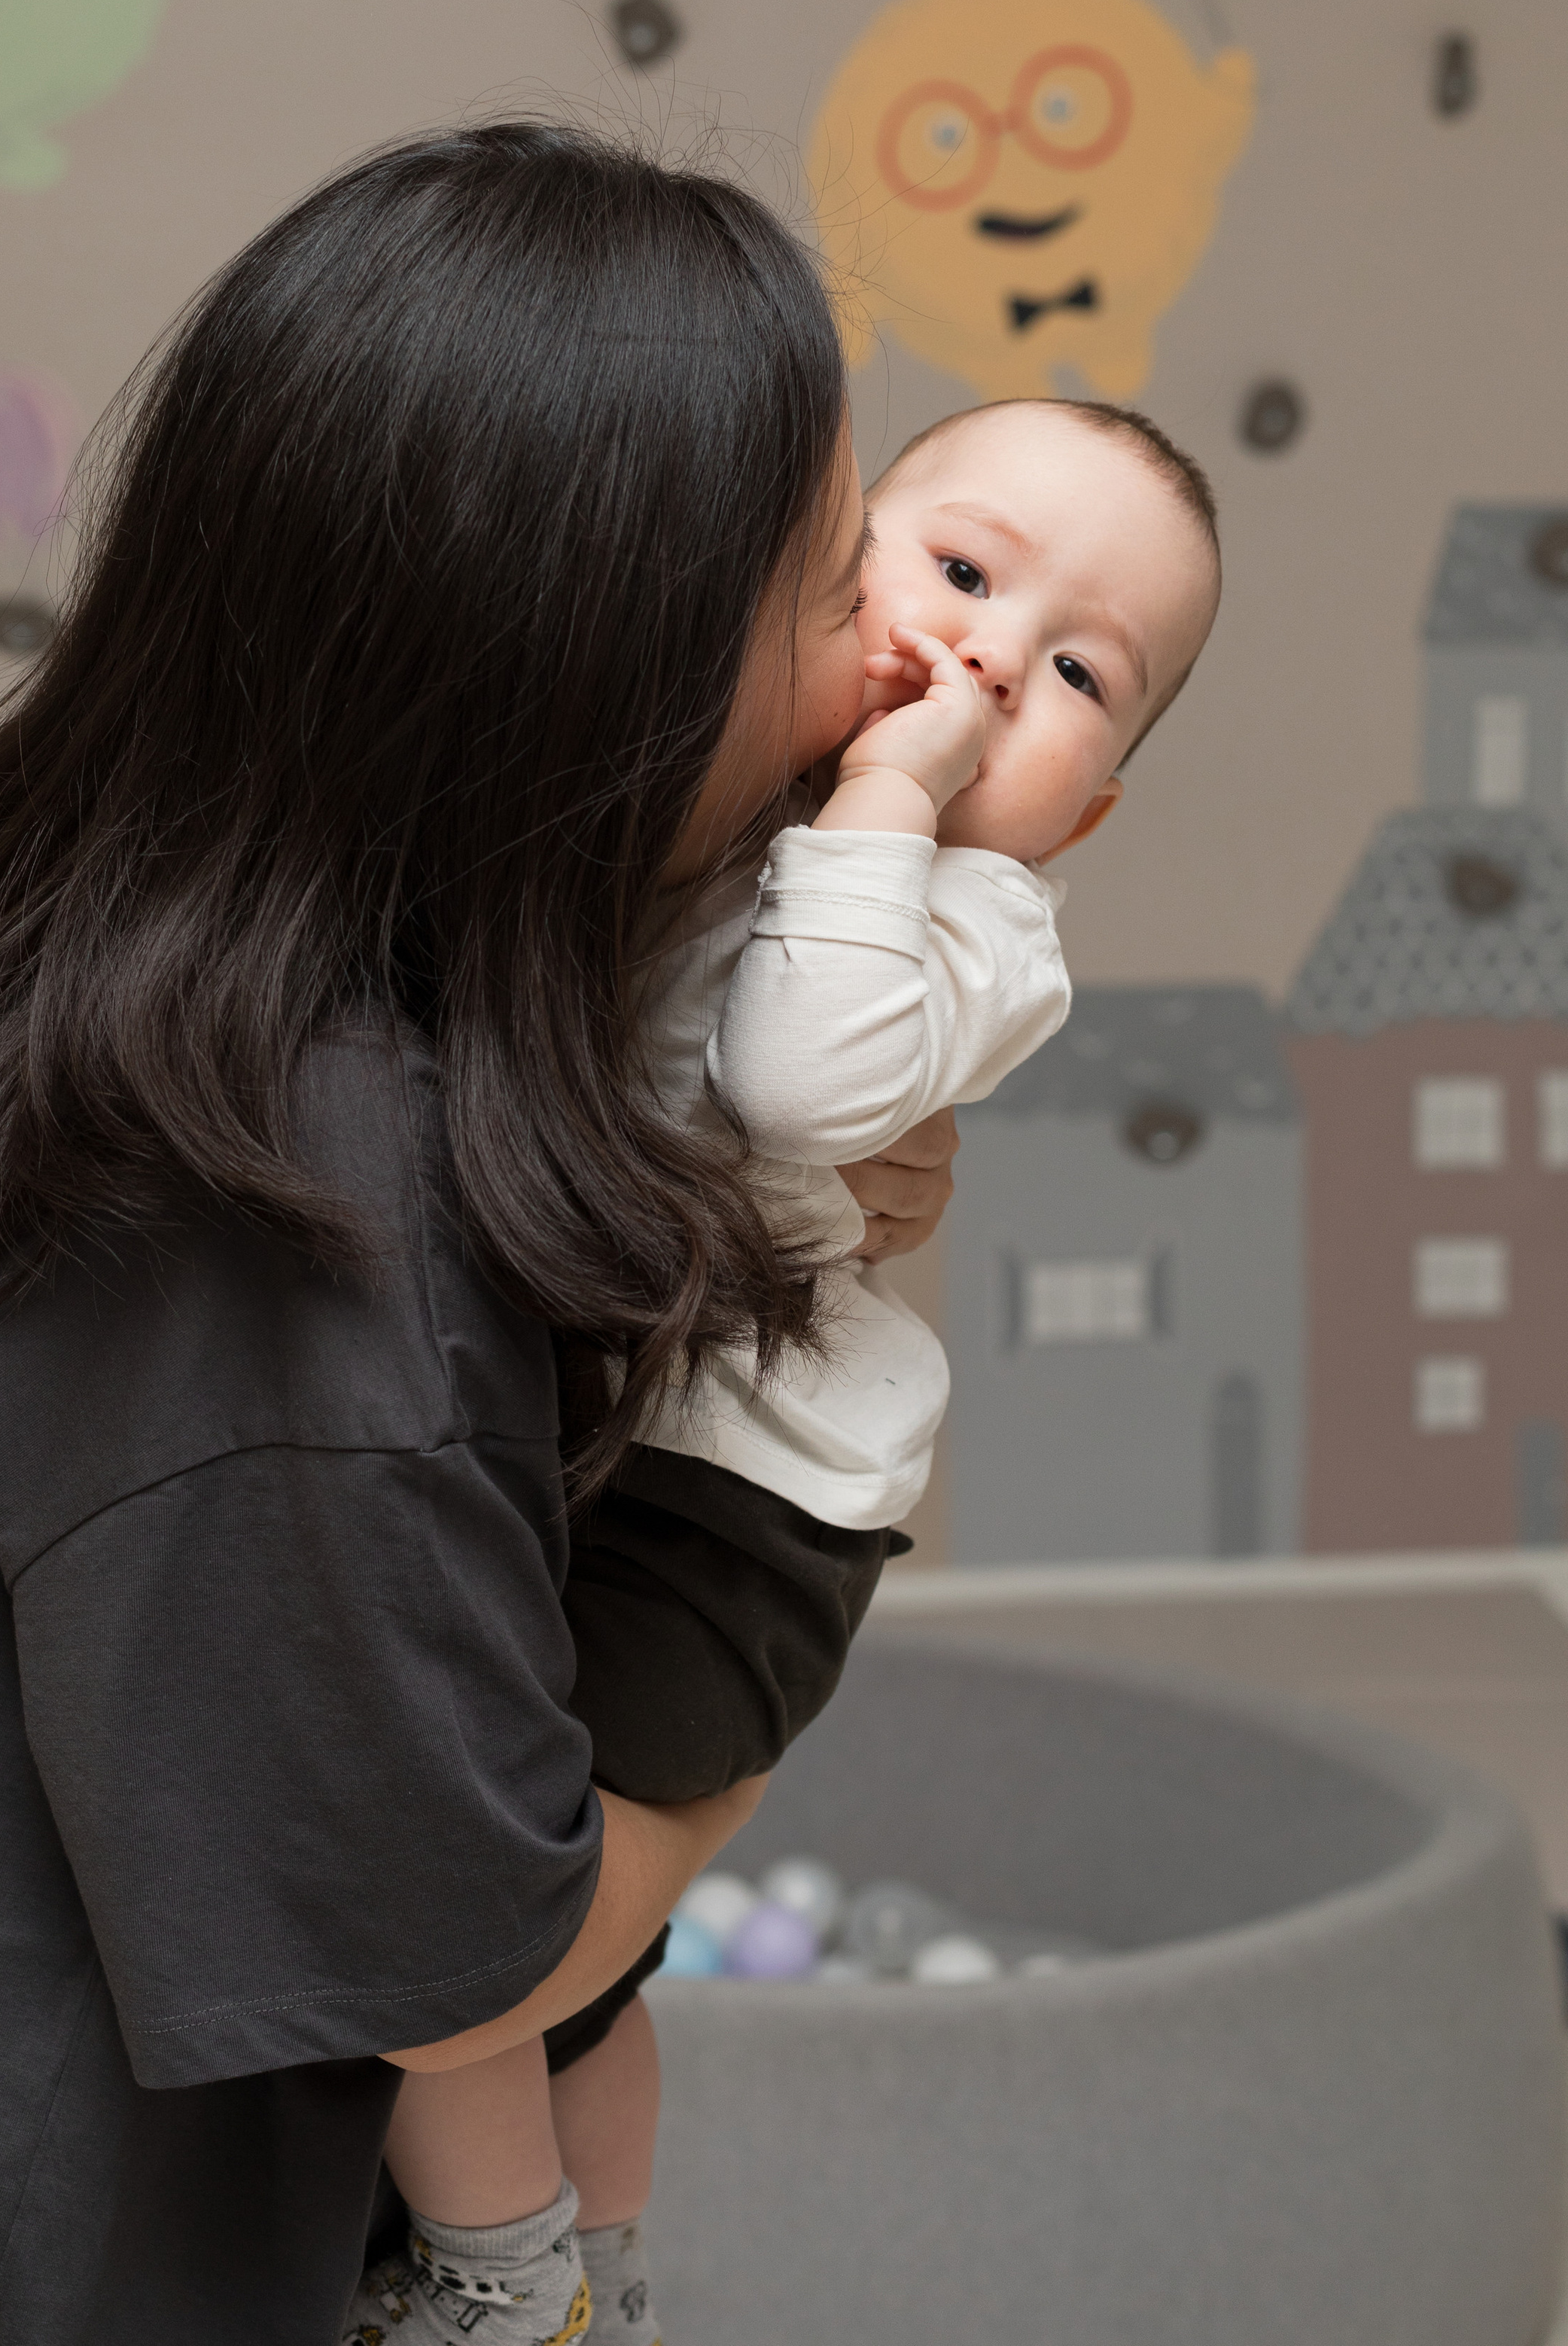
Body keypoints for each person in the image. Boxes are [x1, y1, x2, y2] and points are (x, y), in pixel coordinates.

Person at [0, 123, 951, 2344]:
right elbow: (486, 1948)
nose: (909, 667)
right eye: (841, 589)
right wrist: (781, 1581)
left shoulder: (106, 948)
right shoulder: (302, 1260)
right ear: (592, 681)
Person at [363, 395, 1222, 2343]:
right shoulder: (734, 823)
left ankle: (498, 2289)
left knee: (476, 1932)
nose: (998, 653)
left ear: (1082, 810)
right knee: (590, 1978)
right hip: (630, 1446)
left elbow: (796, 1071)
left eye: (1081, 670)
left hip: (743, 1507)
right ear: (816, 599)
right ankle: (606, 2267)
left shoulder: (974, 915)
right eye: (963, 572)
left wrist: (901, 794)